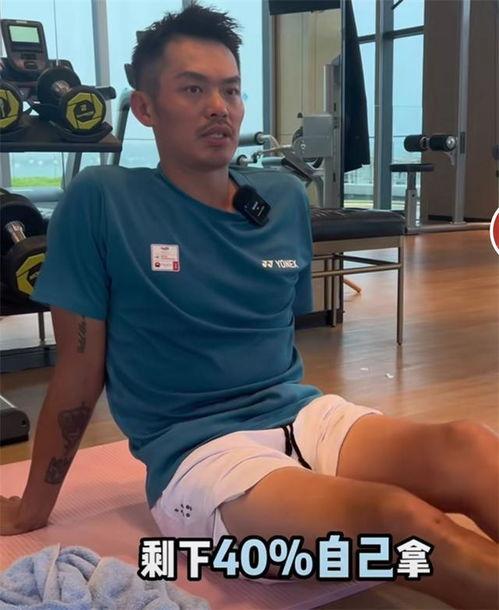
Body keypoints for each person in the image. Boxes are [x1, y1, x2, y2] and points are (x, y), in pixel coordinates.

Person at [1, 5, 497, 608]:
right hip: (200, 457)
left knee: (471, 446)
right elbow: (79, 375)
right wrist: (32, 508)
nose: (219, 107)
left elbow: (275, 336)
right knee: (398, 523)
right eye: (193, 89)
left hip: (306, 417)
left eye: (231, 90)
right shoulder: (102, 200)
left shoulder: (282, 199)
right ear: (146, 108)